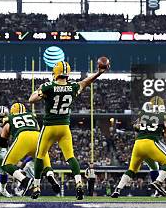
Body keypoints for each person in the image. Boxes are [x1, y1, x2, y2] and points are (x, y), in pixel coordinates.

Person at [29, 60, 107, 199]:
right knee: (70, 157)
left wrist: (40, 91)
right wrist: (99, 73)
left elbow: (32, 100)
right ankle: (78, 183)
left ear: (56, 73)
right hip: (64, 127)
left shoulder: (49, 86)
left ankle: (36, 187)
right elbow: (86, 81)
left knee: (40, 156)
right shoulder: (72, 87)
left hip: (49, 127)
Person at [111, 97, 166, 198]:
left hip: (138, 144)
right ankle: (160, 182)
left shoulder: (143, 113)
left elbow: (136, 126)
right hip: (151, 143)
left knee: (133, 169)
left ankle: (117, 189)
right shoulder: (164, 114)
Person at [0, 102, 61, 196]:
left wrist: (5, 140)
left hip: (23, 137)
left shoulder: (9, 119)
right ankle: (50, 177)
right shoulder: (31, 116)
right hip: (38, 137)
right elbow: (38, 127)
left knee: (6, 165)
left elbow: (3, 140)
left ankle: (25, 180)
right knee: (46, 166)